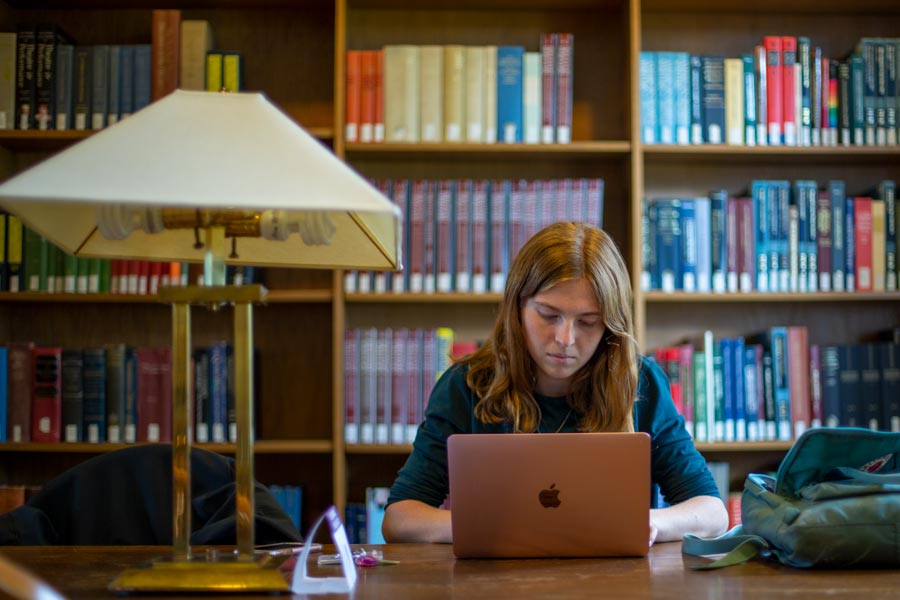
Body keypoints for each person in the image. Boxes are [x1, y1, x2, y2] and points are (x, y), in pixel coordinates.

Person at [382, 221, 729, 545]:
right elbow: (400, 517)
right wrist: (491, 528)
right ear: (517, 308)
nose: (565, 338)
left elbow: (712, 512)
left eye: (588, 322)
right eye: (548, 316)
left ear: (610, 325)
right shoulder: (466, 385)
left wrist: (650, 523)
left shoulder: (641, 383)